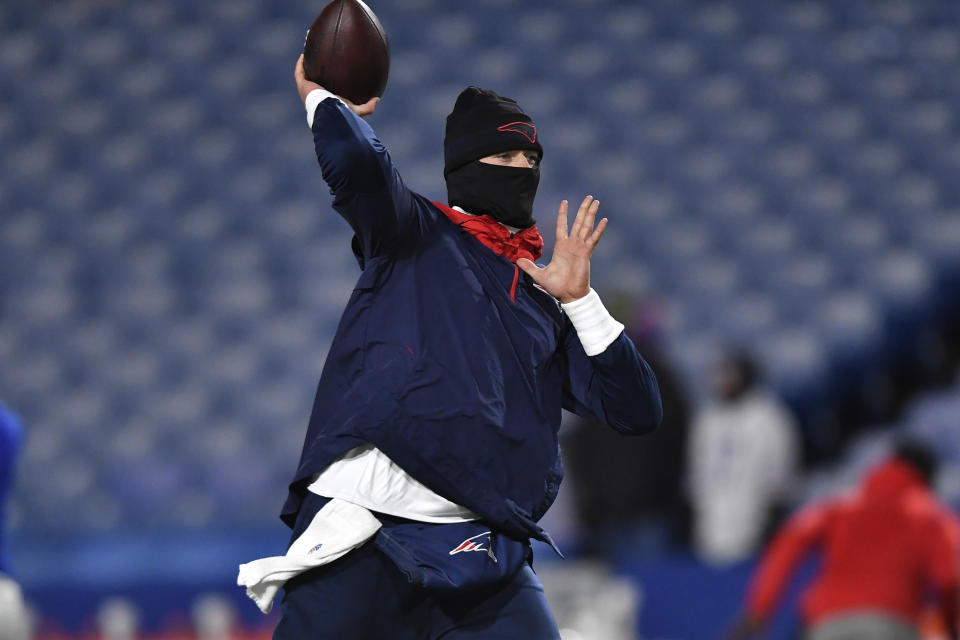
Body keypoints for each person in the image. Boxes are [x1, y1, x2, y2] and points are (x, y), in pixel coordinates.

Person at [237, 56, 662, 639]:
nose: (523, 169)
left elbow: (637, 411)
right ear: (465, 166)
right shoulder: (413, 234)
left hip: (483, 545)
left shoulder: (543, 301)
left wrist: (582, 301)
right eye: (506, 156)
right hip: (368, 529)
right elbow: (360, 166)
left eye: (531, 159)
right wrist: (326, 102)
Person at [728, 439, 960, 640]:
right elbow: (951, 578)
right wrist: (952, 627)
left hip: (828, 624)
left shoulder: (840, 503)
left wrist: (758, 611)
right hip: (892, 623)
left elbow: (788, 543)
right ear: (928, 479)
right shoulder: (929, 513)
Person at [688, 349, 799, 564]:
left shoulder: (769, 417)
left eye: (730, 375)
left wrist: (770, 513)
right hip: (711, 522)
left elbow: (781, 472)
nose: (723, 381)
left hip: (755, 521)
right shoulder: (707, 418)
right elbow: (698, 468)